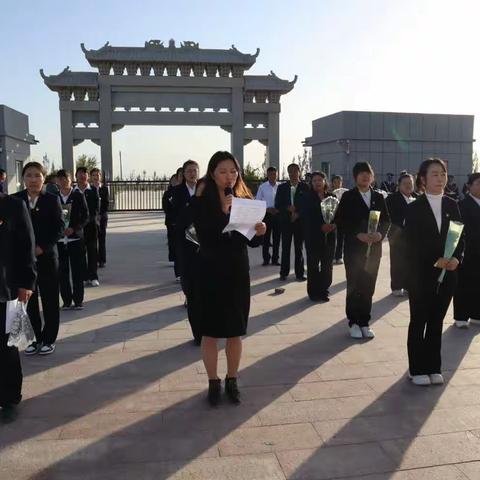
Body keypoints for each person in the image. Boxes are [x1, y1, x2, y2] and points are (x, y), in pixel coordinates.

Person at [192, 151, 265, 406]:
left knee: (235, 330)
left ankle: (232, 379)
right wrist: (223, 210)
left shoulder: (244, 197)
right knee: (210, 332)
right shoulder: (202, 198)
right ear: (212, 173)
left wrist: (259, 231)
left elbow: (251, 242)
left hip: (236, 270)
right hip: (211, 270)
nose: (229, 177)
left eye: (233, 172)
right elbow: (204, 235)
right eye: (223, 172)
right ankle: (213, 382)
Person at [405, 158, 463, 386]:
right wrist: (433, 260)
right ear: (423, 179)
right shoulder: (414, 208)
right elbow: (410, 243)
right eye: (435, 174)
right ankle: (416, 368)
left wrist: (457, 258)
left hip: (448, 274)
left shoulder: (452, 204)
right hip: (421, 276)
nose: (440, 179)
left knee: (437, 320)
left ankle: (433, 366)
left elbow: (461, 237)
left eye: (443, 174)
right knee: (419, 320)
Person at [334, 162, 391, 339]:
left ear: (372, 177)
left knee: (368, 286)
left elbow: (387, 221)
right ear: (355, 177)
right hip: (354, 250)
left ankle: (365, 321)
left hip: (373, 250)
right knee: (354, 286)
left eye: (368, 174)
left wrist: (380, 235)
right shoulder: (348, 197)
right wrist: (357, 234)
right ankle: (353, 322)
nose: (365, 177)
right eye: (361, 174)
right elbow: (340, 222)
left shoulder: (379, 197)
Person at [13, 162, 64, 356]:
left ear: (44, 178)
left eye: (37, 175)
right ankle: (34, 339)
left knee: (50, 300)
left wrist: (42, 248)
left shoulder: (52, 200)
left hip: (47, 258)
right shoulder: (15, 200)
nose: (33, 180)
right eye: (29, 175)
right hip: (24, 261)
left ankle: (49, 338)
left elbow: (59, 228)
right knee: (29, 301)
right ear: (23, 178)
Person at [0, 192, 36, 422]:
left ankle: (9, 397)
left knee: (7, 343)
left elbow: (27, 247)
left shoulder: (14, 206)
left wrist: (27, 283)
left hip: (7, 288)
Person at [171, 160, 201, 343]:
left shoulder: (204, 190)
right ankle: (196, 331)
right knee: (188, 279)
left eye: (194, 171)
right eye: (189, 171)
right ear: (183, 173)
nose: (192, 174)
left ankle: (204, 330)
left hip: (203, 242)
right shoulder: (177, 192)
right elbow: (176, 215)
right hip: (185, 242)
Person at [301, 172, 336, 302]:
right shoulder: (306, 197)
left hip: (330, 237)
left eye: (320, 180)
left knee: (327, 266)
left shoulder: (332, 197)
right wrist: (320, 226)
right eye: (314, 180)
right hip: (313, 236)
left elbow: (338, 214)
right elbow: (306, 217)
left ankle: (324, 290)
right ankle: (314, 292)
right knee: (313, 265)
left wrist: (333, 225)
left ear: (325, 182)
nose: (317, 182)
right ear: (311, 183)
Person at [57, 169, 89, 310]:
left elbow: (85, 216)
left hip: (75, 239)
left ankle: (78, 300)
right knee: (62, 272)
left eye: (66, 178)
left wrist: (74, 228)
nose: (63, 181)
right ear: (57, 181)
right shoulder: (53, 197)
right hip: (59, 240)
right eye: (60, 179)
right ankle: (66, 300)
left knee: (77, 271)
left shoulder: (78, 196)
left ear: (71, 180)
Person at [453, 172, 480, 328]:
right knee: (464, 284)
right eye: (478, 183)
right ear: (469, 187)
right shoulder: (462, 205)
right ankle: (461, 316)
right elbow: (460, 230)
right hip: (468, 251)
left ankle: (477, 314)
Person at [275, 163, 309, 281]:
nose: (293, 174)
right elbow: (278, 204)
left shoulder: (305, 187)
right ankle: (283, 272)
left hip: (299, 222)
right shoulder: (282, 187)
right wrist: (287, 208)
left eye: (295, 171)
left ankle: (299, 273)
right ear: (288, 173)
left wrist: (298, 212)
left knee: (299, 247)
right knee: (285, 247)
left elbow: (308, 205)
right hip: (286, 221)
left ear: (299, 172)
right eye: (290, 171)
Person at [385, 173, 417, 297]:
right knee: (397, 262)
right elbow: (388, 217)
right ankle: (397, 286)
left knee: (412, 262)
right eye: (405, 184)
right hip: (397, 236)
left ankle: (409, 285)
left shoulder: (418, 197)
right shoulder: (391, 199)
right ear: (399, 185)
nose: (408, 186)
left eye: (410, 183)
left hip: (414, 238)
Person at [75, 167, 100, 287]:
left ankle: (93, 276)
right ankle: (84, 276)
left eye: (84, 174)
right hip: (78, 228)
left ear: (87, 176)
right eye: (80, 174)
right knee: (80, 253)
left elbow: (95, 210)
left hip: (91, 226)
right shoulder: (73, 192)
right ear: (76, 176)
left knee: (92, 251)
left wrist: (88, 221)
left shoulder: (93, 190)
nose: (82, 176)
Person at [256, 166, 280, 266]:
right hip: (266, 214)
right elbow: (258, 201)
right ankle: (266, 259)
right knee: (265, 238)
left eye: (274, 174)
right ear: (267, 175)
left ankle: (275, 259)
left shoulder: (281, 186)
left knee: (277, 238)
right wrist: (267, 209)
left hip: (278, 214)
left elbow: (283, 200)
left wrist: (278, 209)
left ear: (277, 174)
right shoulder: (262, 187)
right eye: (270, 174)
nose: (272, 176)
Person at [90, 168, 109, 268]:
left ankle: (102, 260)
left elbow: (106, 204)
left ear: (100, 177)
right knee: (93, 240)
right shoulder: (89, 189)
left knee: (102, 239)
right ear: (90, 177)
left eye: (97, 175)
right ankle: (94, 260)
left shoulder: (104, 189)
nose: (96, 177)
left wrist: (100, 215)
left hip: (102, 217)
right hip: (92, 218)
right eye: (94, 175)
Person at [331, 175, 348, 265]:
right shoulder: (330, 193)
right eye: (335, 182)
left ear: (342, 183)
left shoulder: (345, 193)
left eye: (339, 182)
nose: (337, 184)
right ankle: (333, 256)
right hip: (332, 218)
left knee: (341, 237)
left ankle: (339, 256)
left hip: (342, 219)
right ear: (332, 183)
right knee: (333, 238)